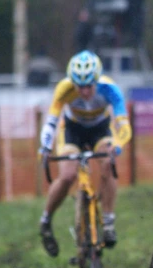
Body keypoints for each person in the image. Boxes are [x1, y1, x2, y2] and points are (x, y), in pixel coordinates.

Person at [38, 51, 132, 257]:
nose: (85, 91)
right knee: (67, 176)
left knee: (107, 162)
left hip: (100, 129)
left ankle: (108, 222)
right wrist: (44, 147)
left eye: (89, 85)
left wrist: (117, 145)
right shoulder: (64, 89)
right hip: (72, 130)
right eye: (79, 86)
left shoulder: (110, 90)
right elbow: (51, 121)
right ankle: (45, 220)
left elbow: (123, 125)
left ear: (96, 80)